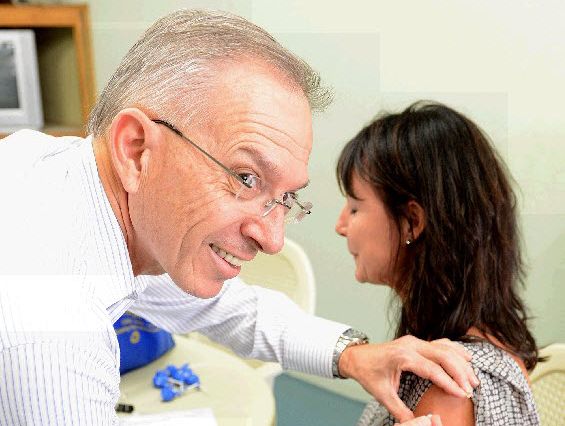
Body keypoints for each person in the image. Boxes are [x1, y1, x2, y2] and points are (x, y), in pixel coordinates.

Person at [0, 11, 476, 424]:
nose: (272, 239)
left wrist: (351, 353)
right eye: (246, 178)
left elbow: (223, 306)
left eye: (285, 198)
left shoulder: (53, 172)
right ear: (137, 149)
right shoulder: (53, 335)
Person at [334, 101, 541, 425]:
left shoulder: (452, 389)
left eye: (355, 207)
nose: (341, 225)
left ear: (412, 222)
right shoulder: (447, 345)